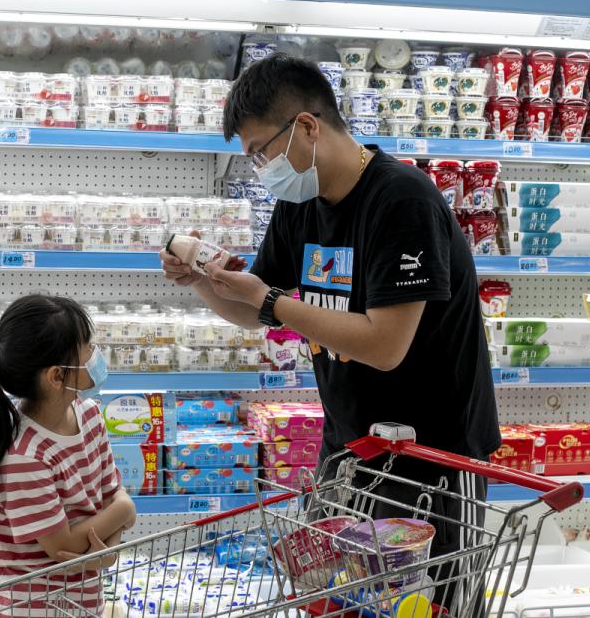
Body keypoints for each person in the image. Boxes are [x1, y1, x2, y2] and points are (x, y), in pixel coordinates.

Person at [160, 54, 500, 610]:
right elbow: (255, 311)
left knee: (432, 608)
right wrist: (201, 280)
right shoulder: (301, 204)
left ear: (307, 127)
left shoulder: (403, 200)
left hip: (433, 459)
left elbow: (384, 346)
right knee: (335, 602)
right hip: (348, 450)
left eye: (260, 152)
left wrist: (269, 300)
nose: (259, 169)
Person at [0, 294, 135, 617]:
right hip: (28, 607)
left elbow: (113, 495)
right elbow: (63, 547)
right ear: (56, 376)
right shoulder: (24, 456)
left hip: (82, 602)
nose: (96, 355)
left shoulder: (91, 415)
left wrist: (106, 551)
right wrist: (124, 511)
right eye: (88, 349)